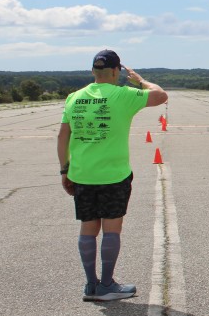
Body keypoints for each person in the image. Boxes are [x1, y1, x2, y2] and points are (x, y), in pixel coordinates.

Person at [58, 49, 168, 301]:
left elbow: (63, 135)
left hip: (82, 174)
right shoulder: (123, 94)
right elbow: (161, 95)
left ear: (93, 71)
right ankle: (107, 284)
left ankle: (90, 284)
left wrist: (65, 169)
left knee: (88, 228)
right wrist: (140, 80)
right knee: (111, 230)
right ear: (116, 71)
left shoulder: (74, 97)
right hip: (113, 175)